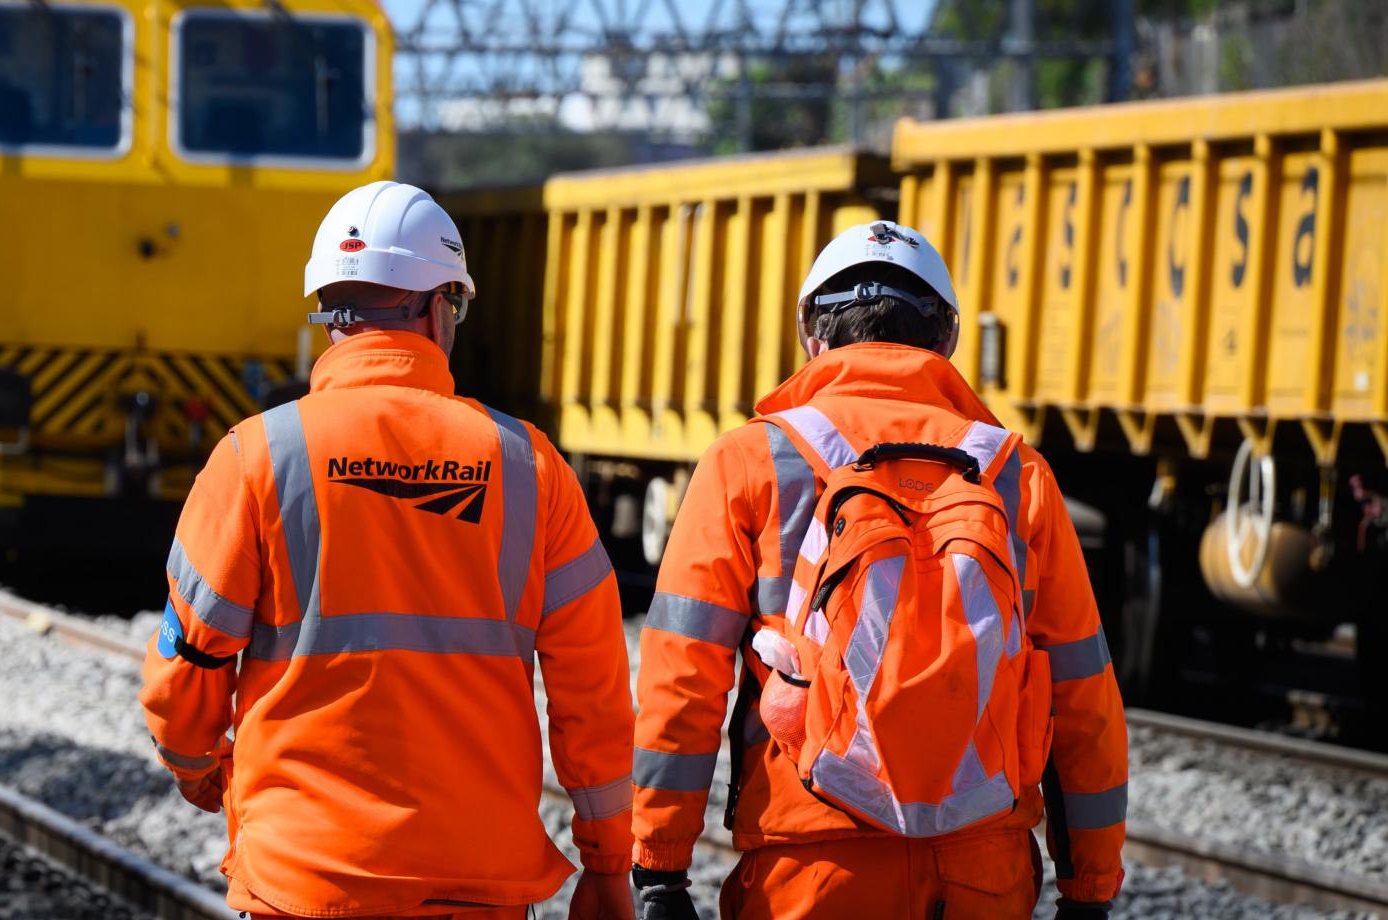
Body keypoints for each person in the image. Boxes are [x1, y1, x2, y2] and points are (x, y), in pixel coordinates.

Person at [138, 181, 637, 920]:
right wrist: (606, 860)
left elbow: (189, 662)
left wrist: (195, 763)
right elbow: (593, 692)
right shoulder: (531, 469)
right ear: (440, 307)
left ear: (329, 312)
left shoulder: (257, 457)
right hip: (474, 882)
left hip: (303, 881)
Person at [630, 221, 1127, 919]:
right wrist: (1090, 888)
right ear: (946, 340)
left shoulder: (749, 463)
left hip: (812, 863)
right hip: (982, 866)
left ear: (813, 335)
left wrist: (659, 866)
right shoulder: (1019, 477)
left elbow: (684, 675)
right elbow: (1082, 695)